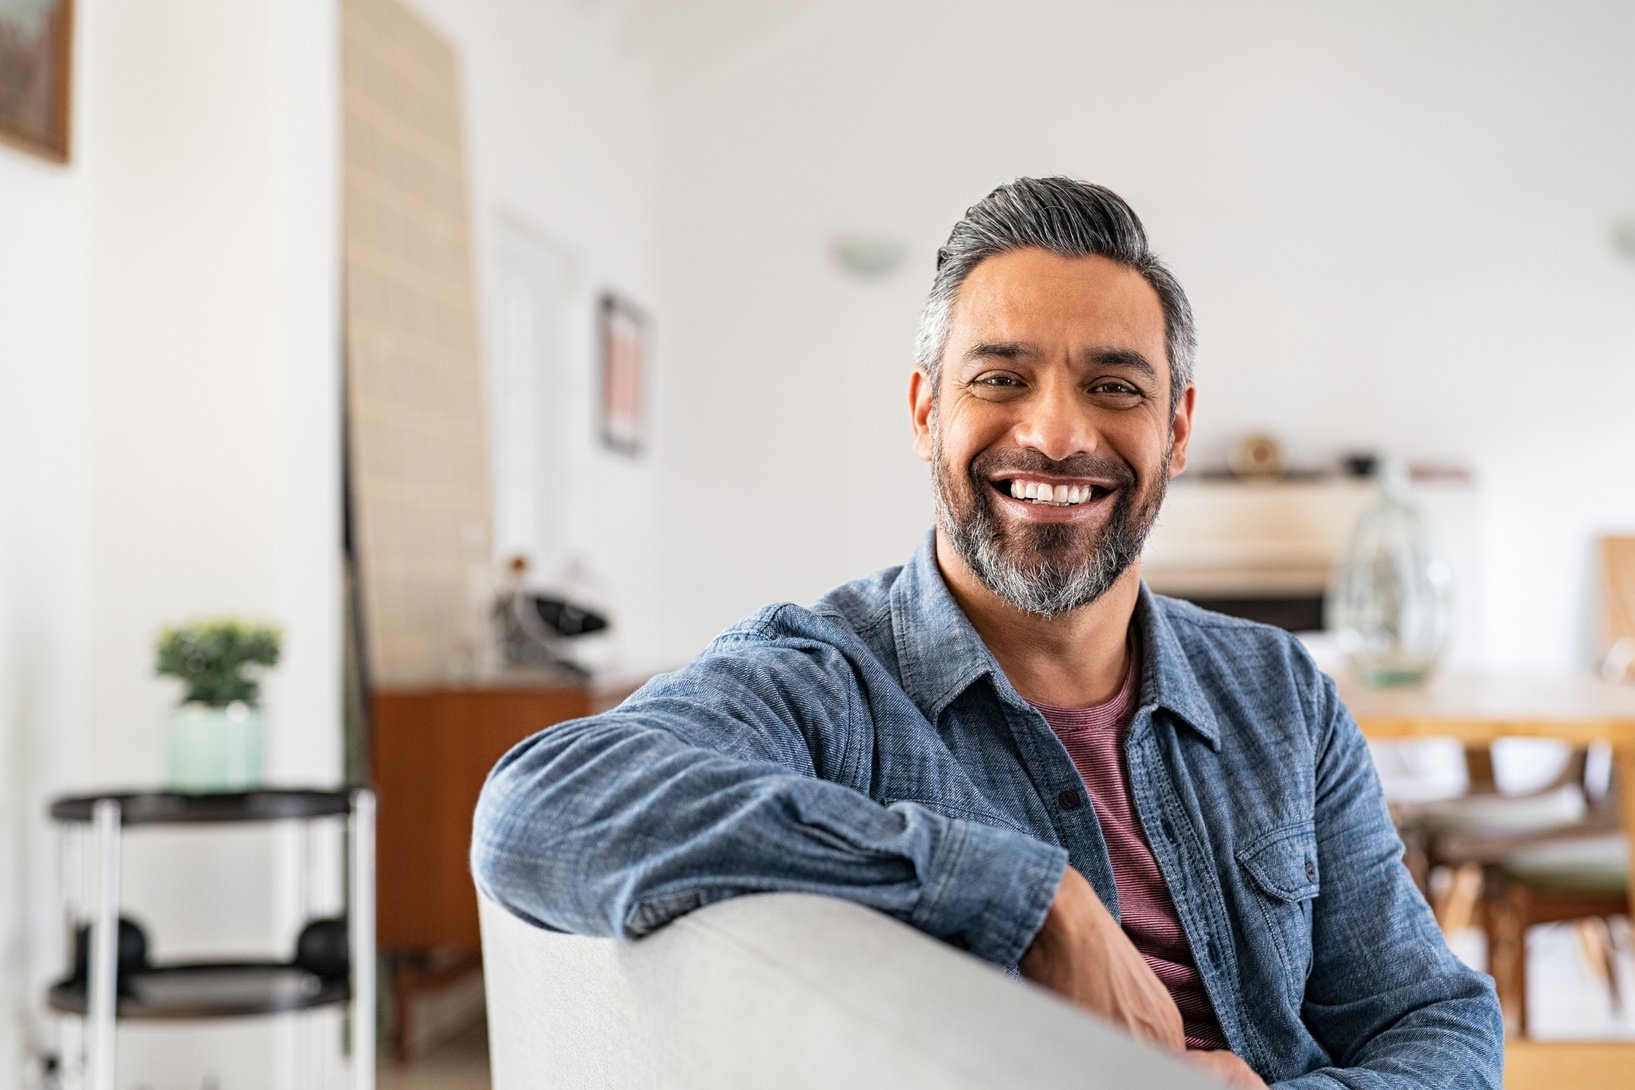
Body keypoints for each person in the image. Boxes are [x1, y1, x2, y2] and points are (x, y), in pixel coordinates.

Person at [471, 177, 1503, 1088]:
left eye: (1115, 386)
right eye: (1000, 378)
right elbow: (539, 808)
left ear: (1177, 429)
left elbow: (1434, 1021)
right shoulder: (825, 682)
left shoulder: (1279, 690)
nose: (1056, 433)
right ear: (926, 411)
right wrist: (1024, 893)